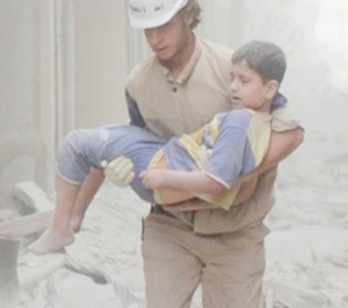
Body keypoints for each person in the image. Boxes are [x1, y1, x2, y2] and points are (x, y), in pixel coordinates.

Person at [97, 0, 303, 307]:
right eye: (147, 29)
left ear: (188, 15)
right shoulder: (137, 84)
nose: (155, 38)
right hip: (170, 229)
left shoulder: (234, 70)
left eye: (164, 25)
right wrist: (124, 170)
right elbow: (142, 144)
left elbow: (291, 130)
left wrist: (240, 170)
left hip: (234, 234)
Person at [29, 40, 294, 255]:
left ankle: (62, 227)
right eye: (232, 78)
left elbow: (217, 182)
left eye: (244, 81)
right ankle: (71, 220)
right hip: (167, 158)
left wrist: (162, 177)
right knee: (106, 140)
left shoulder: (239, 122)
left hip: (158, 170)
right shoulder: (260, 121)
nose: (233, 87)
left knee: (76, 143)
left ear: (270, 89)